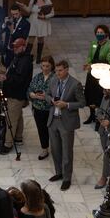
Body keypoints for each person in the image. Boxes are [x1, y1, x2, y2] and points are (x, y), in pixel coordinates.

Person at [46, 60, 85, 191]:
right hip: (53, 120)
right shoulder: (53, 80)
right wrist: (50, 100)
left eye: (60, 70)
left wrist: (67, 105)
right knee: (55, 149)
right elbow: (47, 94)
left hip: (66, 122)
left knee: (67, 152)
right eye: (56, 71)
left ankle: (67, 178)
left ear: (67, 70)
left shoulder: (75, 84)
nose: (57, 73)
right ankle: (59, 172)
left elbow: (82, 103)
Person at [0, 37, 33, 154]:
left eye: (17, 47)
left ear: (24, 46)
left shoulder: (25, 61)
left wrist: (5, 77)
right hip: (14, 92)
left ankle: (8, 143)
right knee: (18, 115)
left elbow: (19, 79)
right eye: (14, 47)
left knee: (11, 119)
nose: (15, 49)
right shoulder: (19, 57)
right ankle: (18, 137)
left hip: (17, 94)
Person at [82, 25, 110, 126]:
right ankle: (92, 115)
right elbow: (90, 56)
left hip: (102, 74)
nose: (99, 34)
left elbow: (108, 61)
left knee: (99, 95)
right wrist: (88, 64)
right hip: (92, 74)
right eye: (98, 33)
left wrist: (93, 64)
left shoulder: (109, 46)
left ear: (106, 34)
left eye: (101, 33)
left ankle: (100, 117)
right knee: (90, 94)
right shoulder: (93, 43)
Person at [17, 0, 54, 64]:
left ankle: (38, 57)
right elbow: (29, 11)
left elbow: (52, 13)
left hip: (42, 22)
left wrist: (44, 17)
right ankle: (26, 57)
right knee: (31, 39)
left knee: (40, 39)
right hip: (33, 21)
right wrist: (23, 6)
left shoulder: (47, 0)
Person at [28, 55, 56, 160]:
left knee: (52, 130)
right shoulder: (38, 77)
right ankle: (44, 148)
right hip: (37, 108)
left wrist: (46, 97)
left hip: (49, 109)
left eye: (47, 66)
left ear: (51, 66)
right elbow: (30, 88)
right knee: (41, 129)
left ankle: (56, 148)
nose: (45, 68)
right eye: (43, 66)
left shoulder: (55, 78)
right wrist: (32, 95)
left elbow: (58, 94)